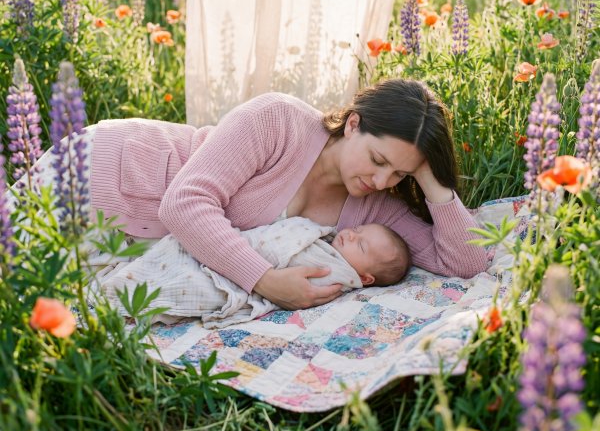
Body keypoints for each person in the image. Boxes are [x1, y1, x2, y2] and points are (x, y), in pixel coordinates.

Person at [88, 78, 487, 311]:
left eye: (400, 172)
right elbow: (184, 203)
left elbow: (465, 263)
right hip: (107, 177)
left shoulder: (378, 206)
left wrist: (431, 179)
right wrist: (265, 280)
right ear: (352, 125)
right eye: (378, 159)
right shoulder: (278, 120)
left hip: (138, 249)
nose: (383, 181)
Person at [98, 216, 411, 327]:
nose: (352, 235)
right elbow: (277, 235)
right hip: (240, 252)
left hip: (233, 280)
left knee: (192, 286)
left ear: (365, 279)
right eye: (357, 230)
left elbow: (296, 277)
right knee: (178, 254)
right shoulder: (327, 239)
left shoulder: (338, 276)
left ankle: (122, 299)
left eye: (362, 246)